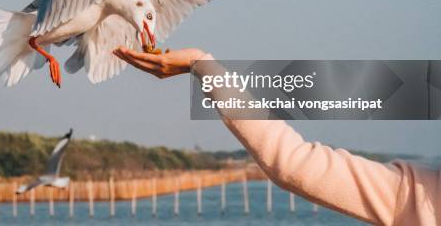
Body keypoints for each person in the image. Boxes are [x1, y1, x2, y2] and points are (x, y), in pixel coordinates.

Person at [113, 47, 440, 225]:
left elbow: (293, 163)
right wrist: (204, 67)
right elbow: (294, 163)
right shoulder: (419, 195)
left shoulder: (420, 196)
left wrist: (203, 67)